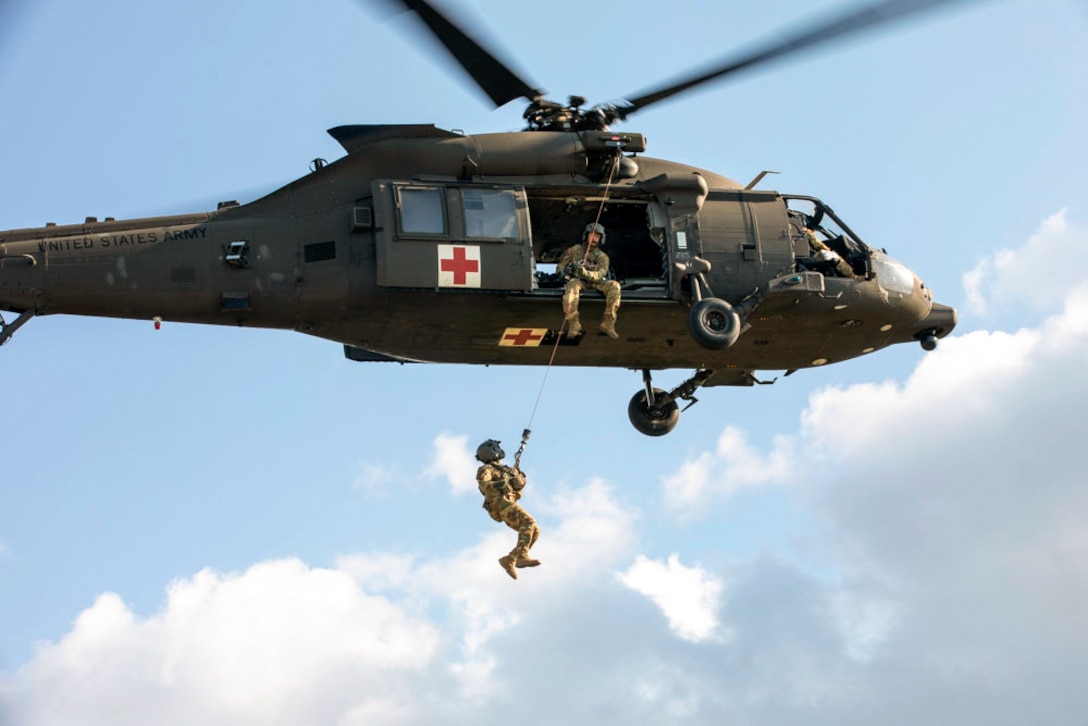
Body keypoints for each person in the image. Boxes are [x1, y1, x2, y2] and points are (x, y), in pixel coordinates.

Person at [475, 439, 540, 580]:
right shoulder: (486, 469)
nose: (498, 450)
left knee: (534, 531)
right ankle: (522, 557)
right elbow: (484, 485)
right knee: (528, 521)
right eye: (496, 448)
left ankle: (510, 559)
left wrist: (516, 477)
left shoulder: (504, 469)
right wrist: (503, 483)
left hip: (507, 502)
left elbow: (517, 485)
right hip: (499, 504)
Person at [557, 222, 621, 339]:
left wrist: (586, 273)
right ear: (586, 235)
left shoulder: (603, 257)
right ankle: (574, 323)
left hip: (597, 282)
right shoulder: (575, 250)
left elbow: (601, 273)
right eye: (591, 235)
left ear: (601, 238)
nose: (594, 238)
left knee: (615, 286)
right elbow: (562, 263)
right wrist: (561, 272)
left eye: (597, 236)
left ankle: (608, 323)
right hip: (579, 281)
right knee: (571, 285)